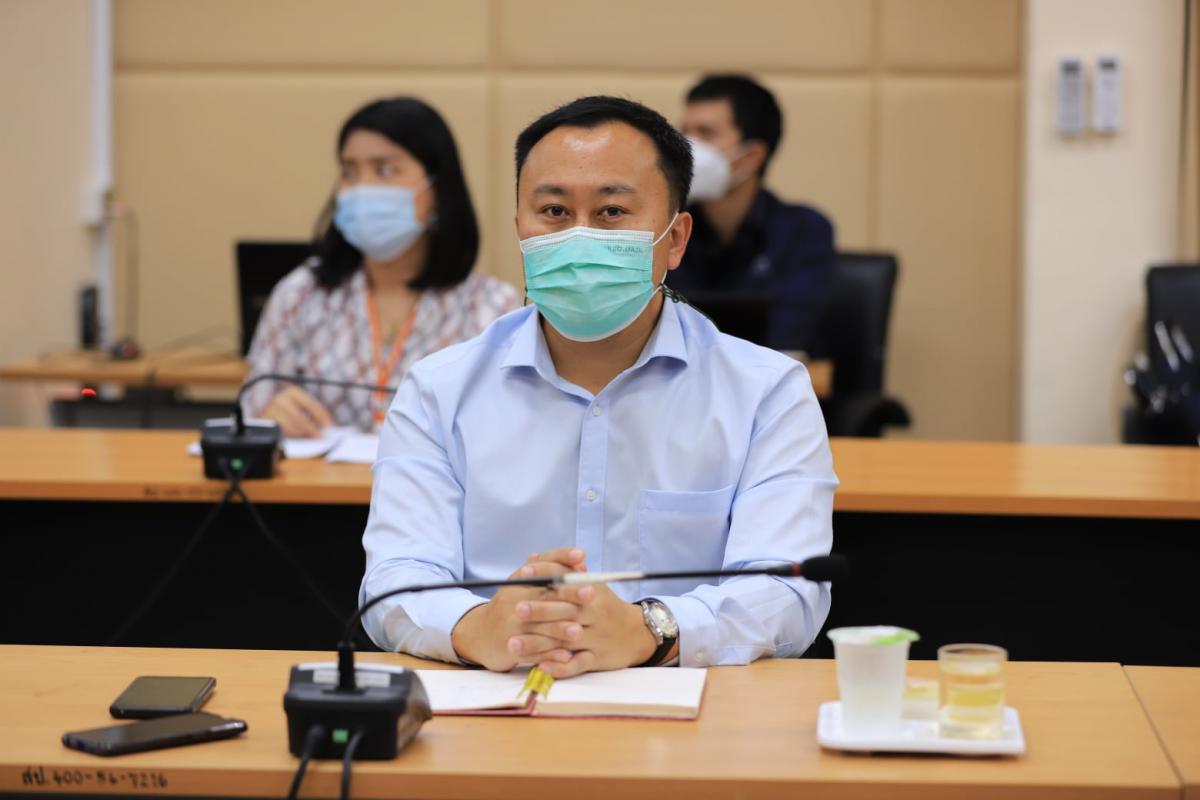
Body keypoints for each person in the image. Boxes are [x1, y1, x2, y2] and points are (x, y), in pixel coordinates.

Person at [360, 96, 836, 677]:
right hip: (490, 699)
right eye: (554, 211)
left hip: (691, 708)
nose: (579, 237)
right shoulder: (439, 390)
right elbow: (395, 578)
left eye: (612, 212)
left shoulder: (767, 393)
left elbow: (788, 588)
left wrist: (650, 630)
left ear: (676, 239)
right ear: (520, 230)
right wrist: (475, 628)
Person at [243, 97, 521, 436]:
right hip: (315, 473)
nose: (362, 187)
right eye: (349, 172)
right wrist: (268, 417)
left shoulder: (492, 308)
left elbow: (514, 430)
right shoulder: (301, 294)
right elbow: (251, 410)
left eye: (385, 169)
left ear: (437, 188)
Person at [672, 74, 836, 354]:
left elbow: (787, 338)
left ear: (751, 156)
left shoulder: (804, 231)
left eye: (706, 134)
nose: (687, 147)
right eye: (684, 132)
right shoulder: (670, 226)